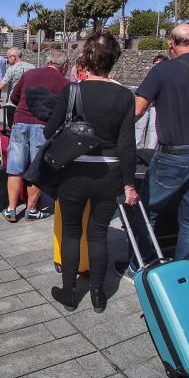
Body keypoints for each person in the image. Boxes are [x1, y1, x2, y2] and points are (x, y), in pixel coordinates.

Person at [44, 31, 137, 313]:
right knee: (98, 233)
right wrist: (129, 184)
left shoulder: (72, 91)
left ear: (86, 58)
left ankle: (69, 293)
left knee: (72, 233)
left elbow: (50, 131)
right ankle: (98, 294)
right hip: (109, 175)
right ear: (113, 61)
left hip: (74, 173)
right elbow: (127, 145)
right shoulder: (124, 95)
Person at [130, 24, 189, 269]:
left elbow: (137, 109)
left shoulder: (163, 70)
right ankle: (185, 269)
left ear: (171, 43)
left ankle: (140, 264)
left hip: (172, 154)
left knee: (148, 211)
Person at [2, 50, 69, 223]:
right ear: (64, 66)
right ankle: (31, 210)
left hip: (20, 121)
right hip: (43, 126)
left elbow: (14, 97)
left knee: (15, 167)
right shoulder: (64, 83)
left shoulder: (29, 74)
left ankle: (11, 208)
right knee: (36, 169)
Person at [134, 54, 165, 150]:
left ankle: (150, 150)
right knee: (140, 126)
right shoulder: (150, 74)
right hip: (146, 103)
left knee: (153, 127)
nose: (156, 65)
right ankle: (136, 147)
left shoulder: (164, 77)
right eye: (155, 63)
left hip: (155, 105)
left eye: (159, 63)